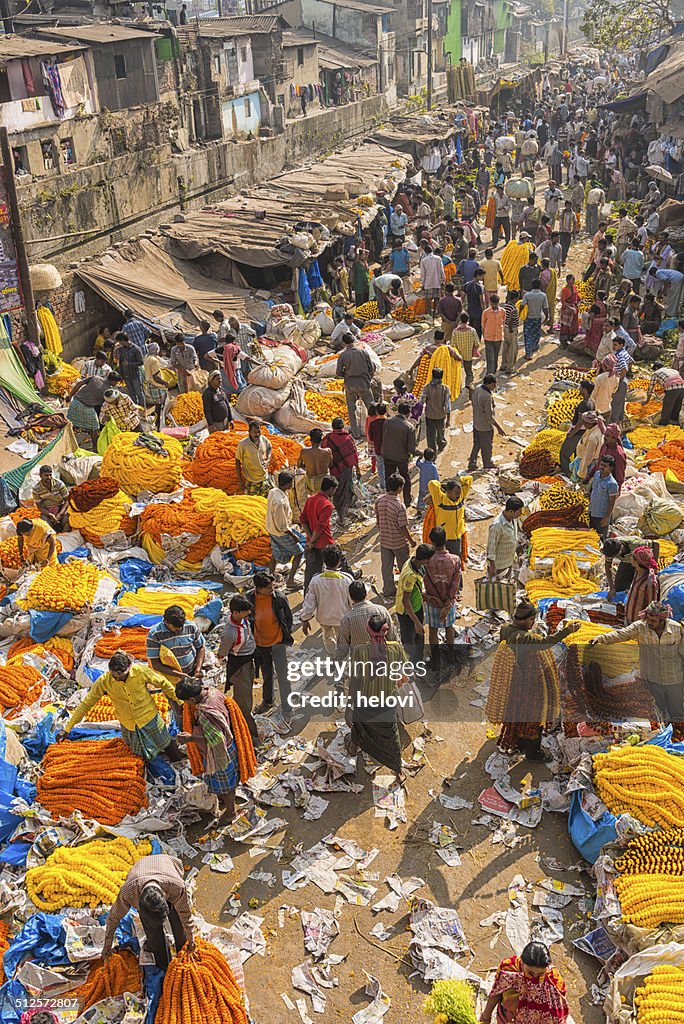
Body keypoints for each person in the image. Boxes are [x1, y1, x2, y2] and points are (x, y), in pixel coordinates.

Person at [485, 601, 579, 760]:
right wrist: (567, 631)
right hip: (527, 683)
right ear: (521, 620)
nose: (533, 623)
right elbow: (544, 643)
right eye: (531, 620)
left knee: (517, 714)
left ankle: (518, 744)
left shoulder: (506, 629)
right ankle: (533, 753)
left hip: (515, 682)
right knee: (535, 718)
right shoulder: (523, 637)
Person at [64, 651, 183, 762]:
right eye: (114, 676)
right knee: (139, 755)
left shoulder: (140, 671)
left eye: (121, 676)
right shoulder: (104, 681)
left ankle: (178, 762)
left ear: (129, 668)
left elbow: (163, 683)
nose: (117, 679)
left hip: (149, 717)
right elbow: (86, 704)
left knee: (167, 744)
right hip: (128, 724)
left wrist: (180, 701)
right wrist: (67, 728)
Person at [589, 601, 684, 725]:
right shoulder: (640, 627)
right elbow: (620, 634)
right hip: (653, 677)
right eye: (648, 619)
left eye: (653, 621)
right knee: (658, 709)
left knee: (677, 710)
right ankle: (664, 731)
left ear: (662, 620)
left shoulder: (677, 629)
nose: (649, 622)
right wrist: (600, 638)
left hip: (674, 677)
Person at [102, 854, 194, 968]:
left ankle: (183, 951)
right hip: (140, 869)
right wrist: (107, 946)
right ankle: (164, 965)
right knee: (154, 935)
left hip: (167, 866)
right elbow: (113, 918)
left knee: (179, 922)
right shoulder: (128, 892)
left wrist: (191, 940)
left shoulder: (176, 886)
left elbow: (185, 914)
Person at [345, 613, 407, 780]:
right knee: (391, 734)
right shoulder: (395, 648)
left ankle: (353, 747)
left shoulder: (359, 651)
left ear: (368, 631)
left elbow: (355, 681)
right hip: (387, 700)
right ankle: (397, 769)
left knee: (360, 727)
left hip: (365, 700)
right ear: (386, 632)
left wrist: (349, 704)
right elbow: (404, 672)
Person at [480, 941, 570, 1024]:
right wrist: (486, 1017)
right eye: (530, 972)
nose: (534, 977)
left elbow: (559, 1010)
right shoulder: (509, 969)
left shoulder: (553, 980)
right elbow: (497, 992)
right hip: (509, 1018)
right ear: (522, 962)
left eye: (540, 974)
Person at [246, 570, 294, 718]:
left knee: (283, 676)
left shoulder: (278, 598)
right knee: (267, 674)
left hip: (278, 643)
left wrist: (284, 635)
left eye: (272, 586)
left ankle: (287, 707)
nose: (271, 590)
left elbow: (288, 618)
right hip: (260, 645)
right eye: (268, 588)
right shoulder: (249, 599)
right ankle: (267, 702)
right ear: (258, 589)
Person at [217, 594, 257, 742]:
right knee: (244, 703)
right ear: (235, 612)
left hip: (248, 662)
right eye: (245, 611)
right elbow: (221, 654)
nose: (249, 614)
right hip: (240, 667)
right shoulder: (229, 633)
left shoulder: (243, 621)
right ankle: (250, 735)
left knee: (244, 695)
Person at [300, 544, 352, 654]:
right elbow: (352, 601)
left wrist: (305, 619)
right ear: (339, 561)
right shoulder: (347, 580)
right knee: (342, 639)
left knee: (327, 637)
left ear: (324, 561)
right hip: (342, 617)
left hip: (324, 618)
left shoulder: (316, 580)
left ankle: (332, 655)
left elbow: (309, 603)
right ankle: (342, 657)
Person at [423, 525, 461, 673]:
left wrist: (434, 599)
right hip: (448, 602)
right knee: (449, 628)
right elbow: (455, 583)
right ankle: (451, 655)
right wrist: (447, 602)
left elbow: (425, 581)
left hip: (433, 602)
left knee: (432, 630)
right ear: (445, 540)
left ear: (431, 541)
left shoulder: (427, 560)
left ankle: (436, 659)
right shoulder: (455, 560)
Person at [376, 474, 415, 600]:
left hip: (384, 541)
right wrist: (411, 540)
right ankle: (405, 591)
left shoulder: (379, 500)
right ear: (399, 488)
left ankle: (388, 590)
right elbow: (403, 527)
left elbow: (378, 521)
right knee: (404, 567)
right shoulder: (399, 506)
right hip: (398, 542)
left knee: (386, 568)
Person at [395, 543, 435, 662]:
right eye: (429, 559)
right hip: (406, 613)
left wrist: (422, 595)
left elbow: (413, 589)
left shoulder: (412, 562)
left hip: (416, 607)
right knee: (409, 641)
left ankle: (418, 659)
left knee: (419, 636)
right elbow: (406, 601)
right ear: (424, 560)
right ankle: (411, 664)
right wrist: (417, 622)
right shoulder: (410, 575)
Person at [146, 605, 205, 682]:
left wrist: (198, 668)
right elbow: (156, 664)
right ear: (166, 622)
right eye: (175, 628)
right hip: (170, 677)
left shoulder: (191, 626)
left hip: (191, 672)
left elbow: (200, 647)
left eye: (181, 627)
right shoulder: (155, 634)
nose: (179, 630)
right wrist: (179, 674)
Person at [336, 581, 394, 658]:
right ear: (366, 593)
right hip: (382, 657)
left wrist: (336, 662)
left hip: (360, 660)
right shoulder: (381, 611)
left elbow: (343, 649)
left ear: (351, 597)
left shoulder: (347, 619)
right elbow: (392, 636)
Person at [266, 470, 304, 587]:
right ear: (287, 484)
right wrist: (294, 535)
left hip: (272, 529)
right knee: (299, 552)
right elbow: (282, 525)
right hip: (281, 532)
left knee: (275, 553)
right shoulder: (279, 501)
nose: (292, 485)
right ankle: (291, 580)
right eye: (291, 482)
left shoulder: (274, 492)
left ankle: (270, 577)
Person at [300, 476, 338, 590]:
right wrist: (313, 540)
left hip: (312, 542)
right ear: (330, 489)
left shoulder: (310, 499)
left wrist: (311, 539)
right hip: (325, 542)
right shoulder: (327, 505)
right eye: (334, 489)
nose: (334, 492)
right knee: (338, 562)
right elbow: (320, 526)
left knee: (311, 572)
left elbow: (303, 520)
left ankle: (308, 594)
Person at [336, 334, 375, 439]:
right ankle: (374, 432)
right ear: (354, 340)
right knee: (371, 408)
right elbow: (371, 368)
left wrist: (347, 372)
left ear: (344, 343)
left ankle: (356, 433)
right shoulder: (363, 352)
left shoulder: (343, 355)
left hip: (350, 385)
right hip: (363, 383)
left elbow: (338, 373)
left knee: (351, 410)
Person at [321, 417, 359, 525]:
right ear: (343, 427)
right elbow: (354, 455)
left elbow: (323, 452)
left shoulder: (327, 439)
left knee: (337, 491)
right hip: (346, 470)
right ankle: (343, 514)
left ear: (332, 427)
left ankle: (340, 513)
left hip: (334, 469)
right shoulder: (348, 438)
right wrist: (358, 470)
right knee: (346, 490)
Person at [381, 401, 416, 506]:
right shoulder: (409, 427)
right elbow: (411, 449)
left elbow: (384, 436)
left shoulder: (387, 422)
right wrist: (419, 453)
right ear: (408, 413)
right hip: (401, 457)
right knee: (405, 478)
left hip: (387, 455)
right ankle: (407, 500)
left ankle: (389, 500)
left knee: (389, 477)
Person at [468, 374, 505, 471]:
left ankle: (472, 463)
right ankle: (487, 463)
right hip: (484, 426)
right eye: (494, 385)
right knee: (487, 446)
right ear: (490, 384)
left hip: (476, 422)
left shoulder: (478, 388)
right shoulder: (487, 397)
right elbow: (489, 417)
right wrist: (499, 428)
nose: (495, 387)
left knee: (477, 444)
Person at [559, 378, 595, 475]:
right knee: (577, 454)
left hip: (577, 433)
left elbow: (579, 423)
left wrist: (571, 433)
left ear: (585, 390)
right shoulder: (592, 403)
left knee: (564, 453)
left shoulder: (583, 404)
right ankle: (576, 472)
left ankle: (568, 473)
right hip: (584, 433)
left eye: (581, 388)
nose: (579, 389)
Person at [487, 496, 524, 582]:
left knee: (506, 587)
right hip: (498, 566)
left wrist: (534, 495)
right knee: (497, 590)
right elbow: (491, 549)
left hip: (509, 562)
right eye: (519, 512)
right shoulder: (497, 526)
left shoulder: (512, 518)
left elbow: (525, 502)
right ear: (511, 511)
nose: (521, 513)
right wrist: (492, 569)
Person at [624, 545, 661, 624]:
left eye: (632, 557)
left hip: (638, 624)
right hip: (629, 618)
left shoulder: (650, 582)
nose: (630, 559)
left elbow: (652, 606)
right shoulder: (637, 572)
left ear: (637, 562)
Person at [235, 420, 272, 496]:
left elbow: (269, 448)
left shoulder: (263, 439)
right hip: (252, 480)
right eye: (254, 432)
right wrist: (240, 481)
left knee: (265, 501)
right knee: (253, 502)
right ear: (249, 432)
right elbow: (238, 461)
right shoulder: (243, 444)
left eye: (259, 432)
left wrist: (268, 460)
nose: (257, 434)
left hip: (264, 478)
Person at [588, 454, 619, 541]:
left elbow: (612, 502)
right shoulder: (597, 474)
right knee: (590, 537)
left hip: (601, 516)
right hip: (591, 512)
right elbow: (593, 489)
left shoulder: (612, 484)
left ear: (611, 468)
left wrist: (606, 518)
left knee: (600, 539)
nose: (601, 467)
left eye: (605, 466)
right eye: (601, 465)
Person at [422, 367, 451, 452]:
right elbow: (448, 405)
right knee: (440, 431)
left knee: (431, 434)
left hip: (430, 415)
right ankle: (441, 443)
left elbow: (421, 401)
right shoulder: (445, 388)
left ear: (432, 376)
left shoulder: (426, 387)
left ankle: (432, 451)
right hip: (441, 415)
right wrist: (448, 419)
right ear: (441, 377)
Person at [32, 465, 68, 531]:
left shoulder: (59, 484)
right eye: (46, 475)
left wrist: (60, 514)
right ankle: (53, 536)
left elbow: (67, 500)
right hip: (47, 511)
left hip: (61, 508)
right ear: (40, 475)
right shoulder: (36, 489)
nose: (49, 477)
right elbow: (39, 507)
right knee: (44, 524)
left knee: (67, 519)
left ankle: (63, 536)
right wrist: (50, 515)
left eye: (50, 475)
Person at [297, 428, 333, 495]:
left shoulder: (304, 452)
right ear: (321, 440)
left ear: (310, 439)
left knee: (313, 499)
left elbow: (299, 465)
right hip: (324, 481)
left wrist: (307, 465)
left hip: (311, 481)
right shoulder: (328, 451)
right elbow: (330, 465)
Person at [520, 279, 549, 359]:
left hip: (529, 318)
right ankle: (534, 347)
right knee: (536, 334)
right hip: (537, 318)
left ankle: (528, 353)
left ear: (532, 286)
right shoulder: (543, 295)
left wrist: (520, 314)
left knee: (528, 335)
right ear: (540, 286)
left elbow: (522, 306)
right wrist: (546, 317)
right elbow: (545, 308)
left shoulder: (527, 295)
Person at [115, 332, 146, 408]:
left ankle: (143, 408)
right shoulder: (121, 350)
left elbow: (141, 362)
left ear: (123, 341)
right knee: (132, 394)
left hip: (135, 375)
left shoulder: (136, 349)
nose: (119, 344)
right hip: (126, 376)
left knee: (139, 393)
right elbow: (121, 363)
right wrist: (121, 375)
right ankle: (135, 408)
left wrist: (129, 364)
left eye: (119, 342)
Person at [451, 312, 480, 391]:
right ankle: (469, 385)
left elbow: (452, 345)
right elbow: (477, 343)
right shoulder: (472, 330)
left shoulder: (455, 332)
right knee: (469, 372)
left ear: (460, 320)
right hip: (468, 355)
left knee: (458, 373)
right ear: (468, 320)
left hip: (458, 356)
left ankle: (458, 388)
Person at [143, 342, 169, 430]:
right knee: (159, 406)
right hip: (156, 385)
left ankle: (156, 422)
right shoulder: (154, 360)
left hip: (149, 384)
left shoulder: (146, 358)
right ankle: (158, 423)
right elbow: (156, 376)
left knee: (156, 405)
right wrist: (165, 383)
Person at [481, 294, 506, 375]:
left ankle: (493, 374)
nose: (494, 306)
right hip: (488, 338)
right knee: (490, 358)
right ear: (490, 303)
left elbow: (504, 322)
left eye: (496, 304)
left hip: (498, 338)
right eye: (493, 304)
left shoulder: (503, 312)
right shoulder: (486, 312)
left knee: (495, 357)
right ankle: (490, 374)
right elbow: (483, 325)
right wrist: (485, 335)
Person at [610, 336, 632, 425]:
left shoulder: (619, 356)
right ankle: (619, 420)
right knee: (621, 401)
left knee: (615, 402)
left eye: (615, 345)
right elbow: (631, 361)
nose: (613, 347)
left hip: (621, 381)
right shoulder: (625, 353)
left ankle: (613, 422)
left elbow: (625, 368)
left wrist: (619, 379)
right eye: (613, 344)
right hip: (624, 380)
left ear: (621, 345)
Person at [597, 422, 626, 489]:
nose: (604, 437)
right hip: (599, 480)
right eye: (605, 435)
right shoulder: (605, 446)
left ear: (614, 438)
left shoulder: (619, 454)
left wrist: (616, 492)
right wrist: (589, 476)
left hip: (608, 486)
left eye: (607, 436)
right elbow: (598, 462)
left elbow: (619, 476)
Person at [420, 246, 446, 317]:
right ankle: (435, 312)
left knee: (428, 299)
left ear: (425, 251)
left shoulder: (424, 260)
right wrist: (443, 280)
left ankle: (429, 313)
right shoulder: (438, 259)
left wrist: (423, 284)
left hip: (428, 283)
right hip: (437, 282)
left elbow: (423, 274)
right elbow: (442, 271)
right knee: (436, 299)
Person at [367, 403, 388, 489]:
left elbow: (371, 437)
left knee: (380, 467)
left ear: (376, 412)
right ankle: (389, 484)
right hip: (388, 449)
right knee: (388, 466)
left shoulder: (373, 424)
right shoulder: (389, 422)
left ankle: (382, 485)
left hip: (378, 448)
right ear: (386, 411)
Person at [501, 291, 520, 372]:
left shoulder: (505, 306)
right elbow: (510, 320)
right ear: (515, 298)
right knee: (513, 349)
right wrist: (511, 329)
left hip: (505, 329)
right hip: (511, 329)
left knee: (506, 347)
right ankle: (510, 368)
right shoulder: (513, 309)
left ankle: (503, 365)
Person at [559, 274, 579, 349]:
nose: (573, 281)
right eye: (572, 279)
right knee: (565, 325)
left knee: (573, 324)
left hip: (573, 308)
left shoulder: (574, 287)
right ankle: (563, 341)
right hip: (567, 310)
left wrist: (579, 302)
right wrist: (570, 307)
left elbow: (577, 296)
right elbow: (563, 301)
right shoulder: (565, 290)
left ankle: (570, 339)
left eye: (574, 279)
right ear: (567, 281)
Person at [465, 267, 486, 338]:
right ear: (477, 275)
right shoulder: (479, 287)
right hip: (478, 311)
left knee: (471, 328)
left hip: (470, 310)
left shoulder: (467, 285)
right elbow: (482, 301)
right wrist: (484, 311)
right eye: (482, 276)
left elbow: (462, 296)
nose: (483, 277)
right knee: (477, 330)